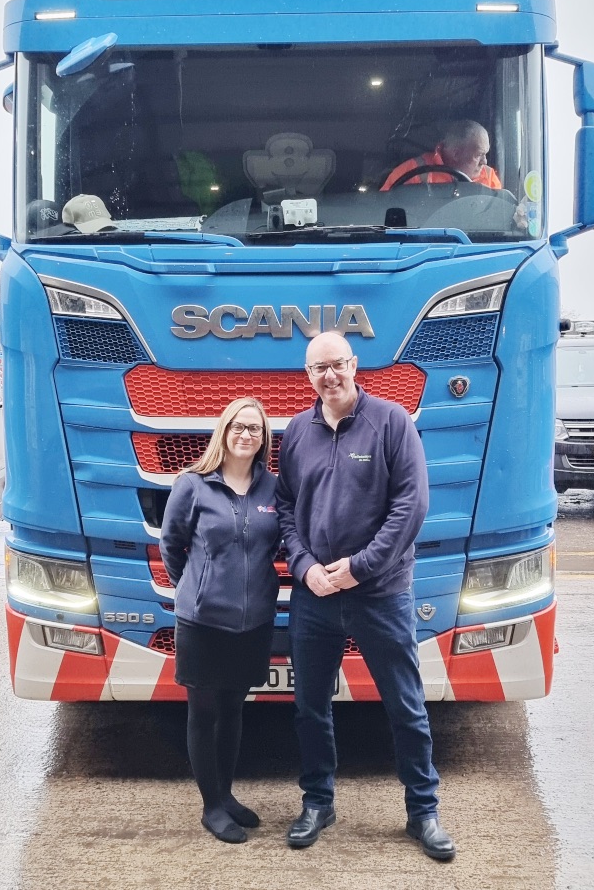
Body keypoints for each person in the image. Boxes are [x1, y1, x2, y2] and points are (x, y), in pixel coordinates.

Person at [276, 332, 456, 862]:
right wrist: (305, 568)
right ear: (307, 375)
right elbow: (285, 507)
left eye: (337, 364)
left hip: (380, 594)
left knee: (405, 705)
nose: (329, 376)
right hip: (314, 596)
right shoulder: (297, 432)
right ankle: (318, 802)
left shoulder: (391, 423)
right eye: (318, 368)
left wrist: (359, 568)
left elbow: (411, 505)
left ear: (354, 365)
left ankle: (423, 811)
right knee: (310, 707)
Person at [160, 398, 280, 844]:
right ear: (224, 432)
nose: (246, 435)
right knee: (204, 711)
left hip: (254, 622)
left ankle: (226, 795)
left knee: (233, 709)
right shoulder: (192, 485)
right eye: (238, 427)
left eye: (255, 428)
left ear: (264, 438)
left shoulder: (273, 489)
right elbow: (171, 545)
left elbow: (280, 544)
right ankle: (211, 807)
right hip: (203, 622)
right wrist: (195, 588)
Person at [381, 119, 501, 190]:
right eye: (479, 155)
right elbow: (383, 213)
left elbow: (500, 216)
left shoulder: (489, 177)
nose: (484, 162)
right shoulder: (409, 173)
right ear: (456, 154)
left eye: (485, 154)